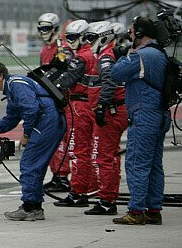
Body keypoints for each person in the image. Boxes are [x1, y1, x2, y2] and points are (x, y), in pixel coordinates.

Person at [0, 61, 65, 221]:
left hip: (47, 122)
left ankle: (30, 207)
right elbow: (11, 119)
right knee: (35, 165)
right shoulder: (12, 89)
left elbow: (31, 109)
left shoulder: (16, 85)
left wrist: (26, 135)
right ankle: (35, 206)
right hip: (51, 121)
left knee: (29, 163)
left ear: (0, 76)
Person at [109, 17, 170, 226]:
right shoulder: (160, 53)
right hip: (159, 113)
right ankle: (154, 210)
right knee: (154, 165)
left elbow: (116, 73)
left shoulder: (140, 55)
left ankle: (136, 211)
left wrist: (119, 55)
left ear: (141, 32)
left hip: (144, 114)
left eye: (132, 32)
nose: (130, 35)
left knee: (136, 164)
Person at [53, 19, 98, 208]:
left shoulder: (81, 57)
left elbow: (65, 82)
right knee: (86, 150)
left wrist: (59, 72)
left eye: (72, 37)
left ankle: (78, 192)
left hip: (78, 107)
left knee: (77, 151)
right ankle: (90, 187)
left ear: (82, 37)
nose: (70, 41)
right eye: (68, 37)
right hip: (87, 105)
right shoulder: (91, 54)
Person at [84, 21, 127, 216]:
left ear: (103, 37)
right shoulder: (110, 54)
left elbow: (109, 82)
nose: (87, 41)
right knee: (110, 156)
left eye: (91, 37)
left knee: (102, 157)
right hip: (118, 110)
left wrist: (101, 106)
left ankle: (107, 201)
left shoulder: (106, 57)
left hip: (111, 112)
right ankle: (108, 197)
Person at [37, 12, 71, 192]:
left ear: (55, 29)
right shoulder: (44, 50)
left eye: (46, 28)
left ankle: (62, 176)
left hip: (61, 100)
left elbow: (66, 73)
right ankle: (57, 174)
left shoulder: (62, 48)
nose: (43, 32)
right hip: (47, 98)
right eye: (40, 28)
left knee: (61, 140)